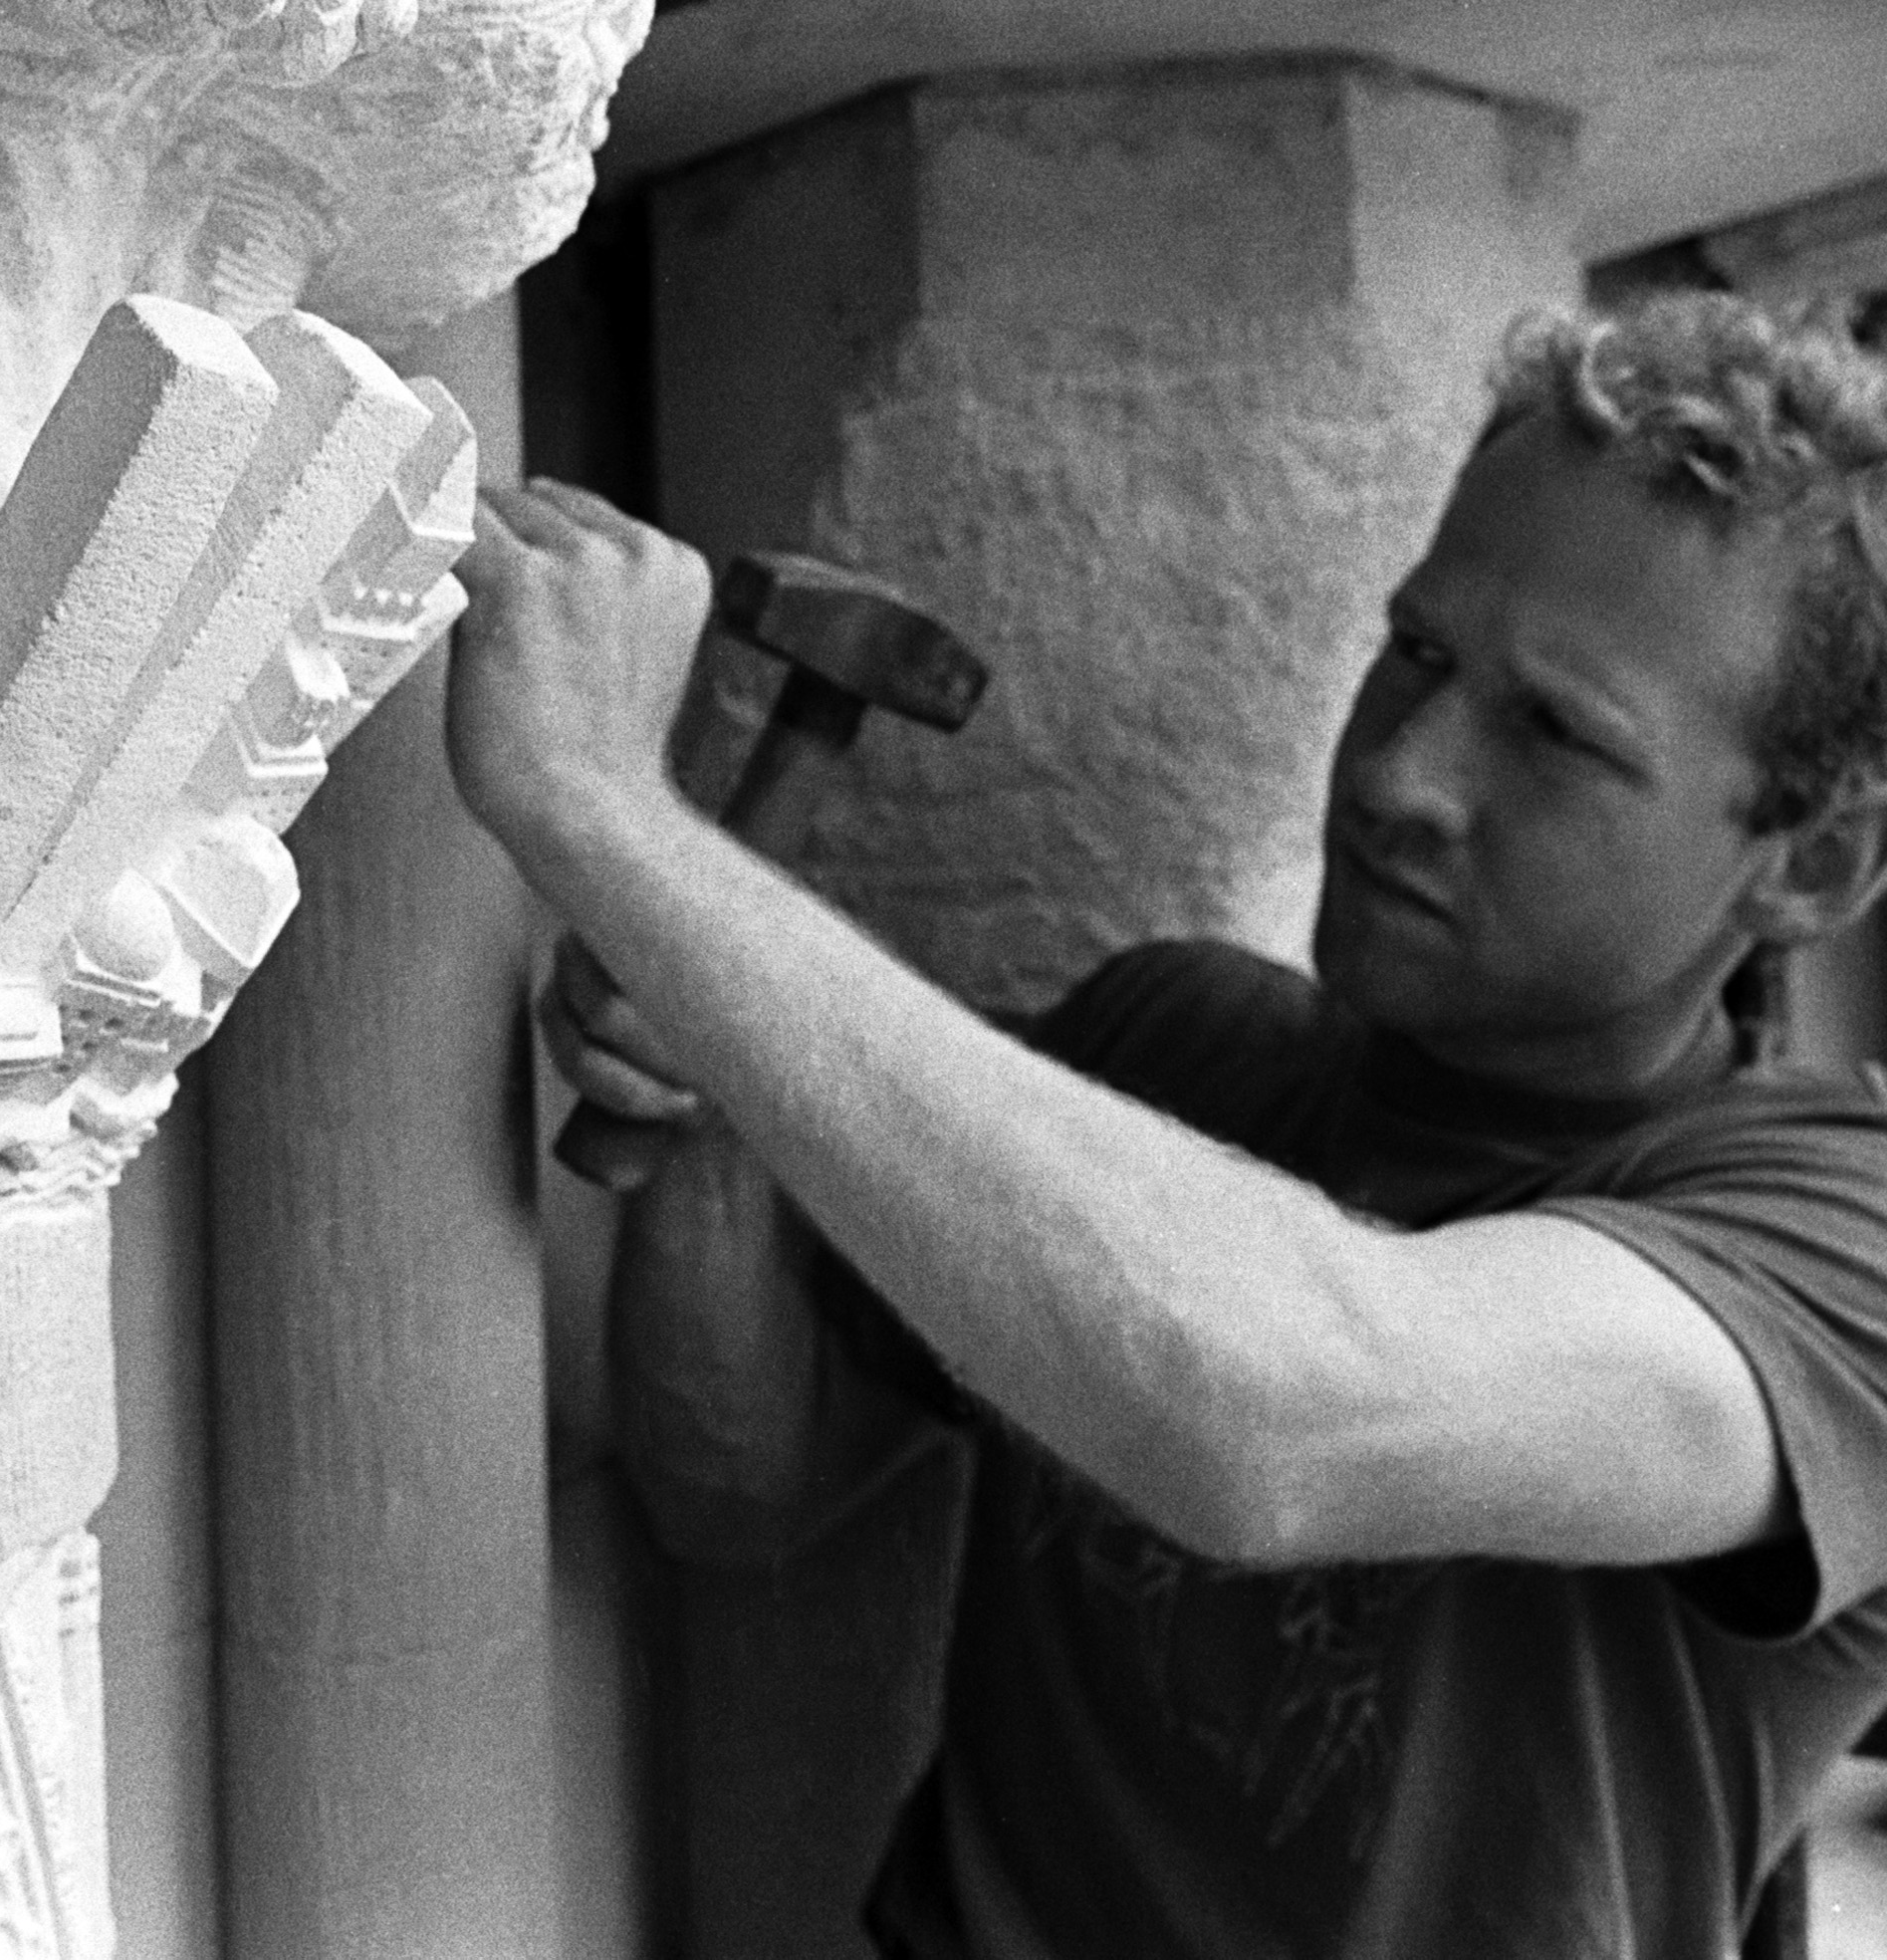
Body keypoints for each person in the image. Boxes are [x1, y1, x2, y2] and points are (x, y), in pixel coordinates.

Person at [443, 294, 1887, 1957]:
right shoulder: (1174, 1048)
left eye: (1556, 733)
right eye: (1416, 653)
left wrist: (614, 820)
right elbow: (740, 1481)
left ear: (1815, 863)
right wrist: (719, 1064)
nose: (1402, 773)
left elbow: (1277, 1415)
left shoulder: (1835, 1244)